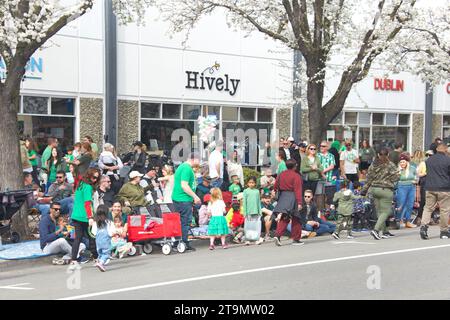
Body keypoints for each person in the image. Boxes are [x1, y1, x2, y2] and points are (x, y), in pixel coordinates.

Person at [361, 148, 400, 240]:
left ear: (378, 155)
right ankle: (376, 230)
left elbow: (368, 178)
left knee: (379, 212)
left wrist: (364, 190)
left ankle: (385, 231)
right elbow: (397, 177)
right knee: (386, 211)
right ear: (388, 155)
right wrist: (389, 179)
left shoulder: (373, 165)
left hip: (374, 189)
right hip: (385, 189)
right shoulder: (390, 165)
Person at [69, 168, 100, 271]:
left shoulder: (80, 184)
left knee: (77, 238)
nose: (95, 179)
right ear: (89, 175)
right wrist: (90, 217)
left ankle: (74, 261)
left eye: (97, 178)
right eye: (93, 177)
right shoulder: (88, 187)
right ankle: (96, 259)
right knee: (92, 237)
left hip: (76, 215)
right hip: (85, 216)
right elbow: (87, 203)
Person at [419, 143, 450, 240]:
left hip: (430, 187)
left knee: (428, 208)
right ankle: (444, 231)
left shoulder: (429, 160)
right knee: (444, 210)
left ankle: (423, 227)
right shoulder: (448, 160)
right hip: (444, 188)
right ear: (445, 150)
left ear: (436, 149)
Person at [172, 152, 201, 251]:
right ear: (194, 159)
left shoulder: (183, 167)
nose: (199, 162)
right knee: (185, 222)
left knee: (180, 222)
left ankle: (177, 242)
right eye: (198, 160)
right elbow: (184, 185)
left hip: (180, 198)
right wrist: (195, 197)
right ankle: (183, 242)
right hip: (183, 199)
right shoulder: (186, 168)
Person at [273, 160, 304, 246]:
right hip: (293, 196)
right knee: (296, 218)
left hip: (283, 196)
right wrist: (300, 203)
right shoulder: (296, 176)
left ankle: (278, 235)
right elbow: (298, 190)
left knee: (284, 217)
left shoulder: (281, 174)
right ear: (295, 166)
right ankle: (296, 239)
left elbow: (275, 186)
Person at [396, 153, 418, 228]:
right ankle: (399, 220)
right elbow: (395, 180)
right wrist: (398, 172)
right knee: (401, 204)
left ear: (407, 162)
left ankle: (408, 221)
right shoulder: (398, 170)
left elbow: (417, 177)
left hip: (411, 187)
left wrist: (416, 181)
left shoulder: (413, 168)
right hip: (402, 187)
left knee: (410, 204)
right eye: (401, 162)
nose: (402, 163)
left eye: (403, 162)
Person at [91, 205, 114, 272]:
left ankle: (98, 261)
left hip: (98, 241)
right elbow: (111, 233)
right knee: (106, 254)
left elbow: (94, 232)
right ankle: (101, 263)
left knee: (100, 253)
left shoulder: (95, 223)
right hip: (106, 242)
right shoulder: (109, 222)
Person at [242, 176, 264, 245]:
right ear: (247, 183)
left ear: (255, 183)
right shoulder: (245, 191)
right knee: (248, 226)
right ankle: (247, 239)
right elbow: (244, 202)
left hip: (256, 211)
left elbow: (258, 202)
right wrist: (245, 212)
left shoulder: (257, 191)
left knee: (256, 226)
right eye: (250, 183)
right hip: (248, 212)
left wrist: (259, 211)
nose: (251, 184)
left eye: (253, 183)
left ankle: (256, 239)